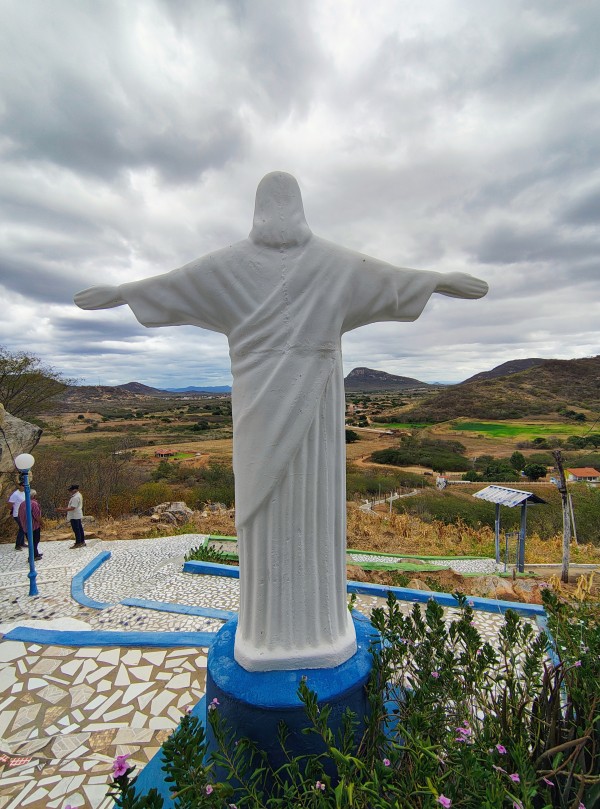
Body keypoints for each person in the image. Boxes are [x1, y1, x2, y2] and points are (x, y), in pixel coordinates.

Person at [74, 171, 488, 671]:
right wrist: (123, 292)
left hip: (316, 416)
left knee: (315, 508)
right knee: (265, 515)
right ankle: (267, 632)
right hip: (258, 413)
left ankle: (317, 627)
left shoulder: (326, 263)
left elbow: (388, 279)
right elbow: (174, 285)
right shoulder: (236, 265)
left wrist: (437, 281)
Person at [18, 489, 43, 560]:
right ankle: (33, 556)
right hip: (33, 526)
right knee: (35, 541)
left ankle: (35, 553)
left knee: (31, 541)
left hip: (25, 526)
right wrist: (42, 523)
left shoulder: (22, 504)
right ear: (34, 496)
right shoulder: (34, 504)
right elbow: (37, 516)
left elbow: (19, 515)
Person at [7, 482, 26, 550]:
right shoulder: (15, 494)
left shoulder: (24, 493)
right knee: (22, 528)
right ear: (20, 486)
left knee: (23, 528)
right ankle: (17, 545)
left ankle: (22, 542)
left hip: (23, 514)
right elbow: (9, 505)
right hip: (17, 514)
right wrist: (13, 509)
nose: (24, 487)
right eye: (23, 486)